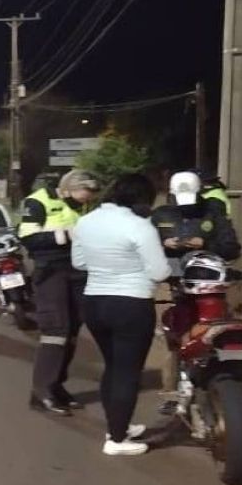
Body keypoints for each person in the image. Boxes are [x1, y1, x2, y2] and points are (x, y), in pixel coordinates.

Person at [72, 174, 172, 456]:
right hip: (131, 303)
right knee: (128, 372)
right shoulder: (139, 226)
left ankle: (117, 426)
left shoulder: (85, 221)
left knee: (113, 366)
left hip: (94, 301)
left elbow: (79, 262)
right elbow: (159, 272)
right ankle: (116, 440)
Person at [151, 171, 242, 412]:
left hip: (210, 281)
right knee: (175, 335)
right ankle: (172, 393)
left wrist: (206, 244)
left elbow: (232, 247)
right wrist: (163, 244)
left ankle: (230, 375)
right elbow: (145, 246)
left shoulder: (214, 212)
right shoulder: (160, 216)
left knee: (217, 325)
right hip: (173, 279)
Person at [19, 169, 102, 416]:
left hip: (78, 270)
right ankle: (41, 390)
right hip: (50, 271)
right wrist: (65, 235)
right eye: (85, 193)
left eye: (91, 196)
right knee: (56, 330)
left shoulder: (84, 205)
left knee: (73, 329)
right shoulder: (37, 201)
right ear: (68, 189)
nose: (87, 199)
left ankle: (56, 385)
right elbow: (28, 238)